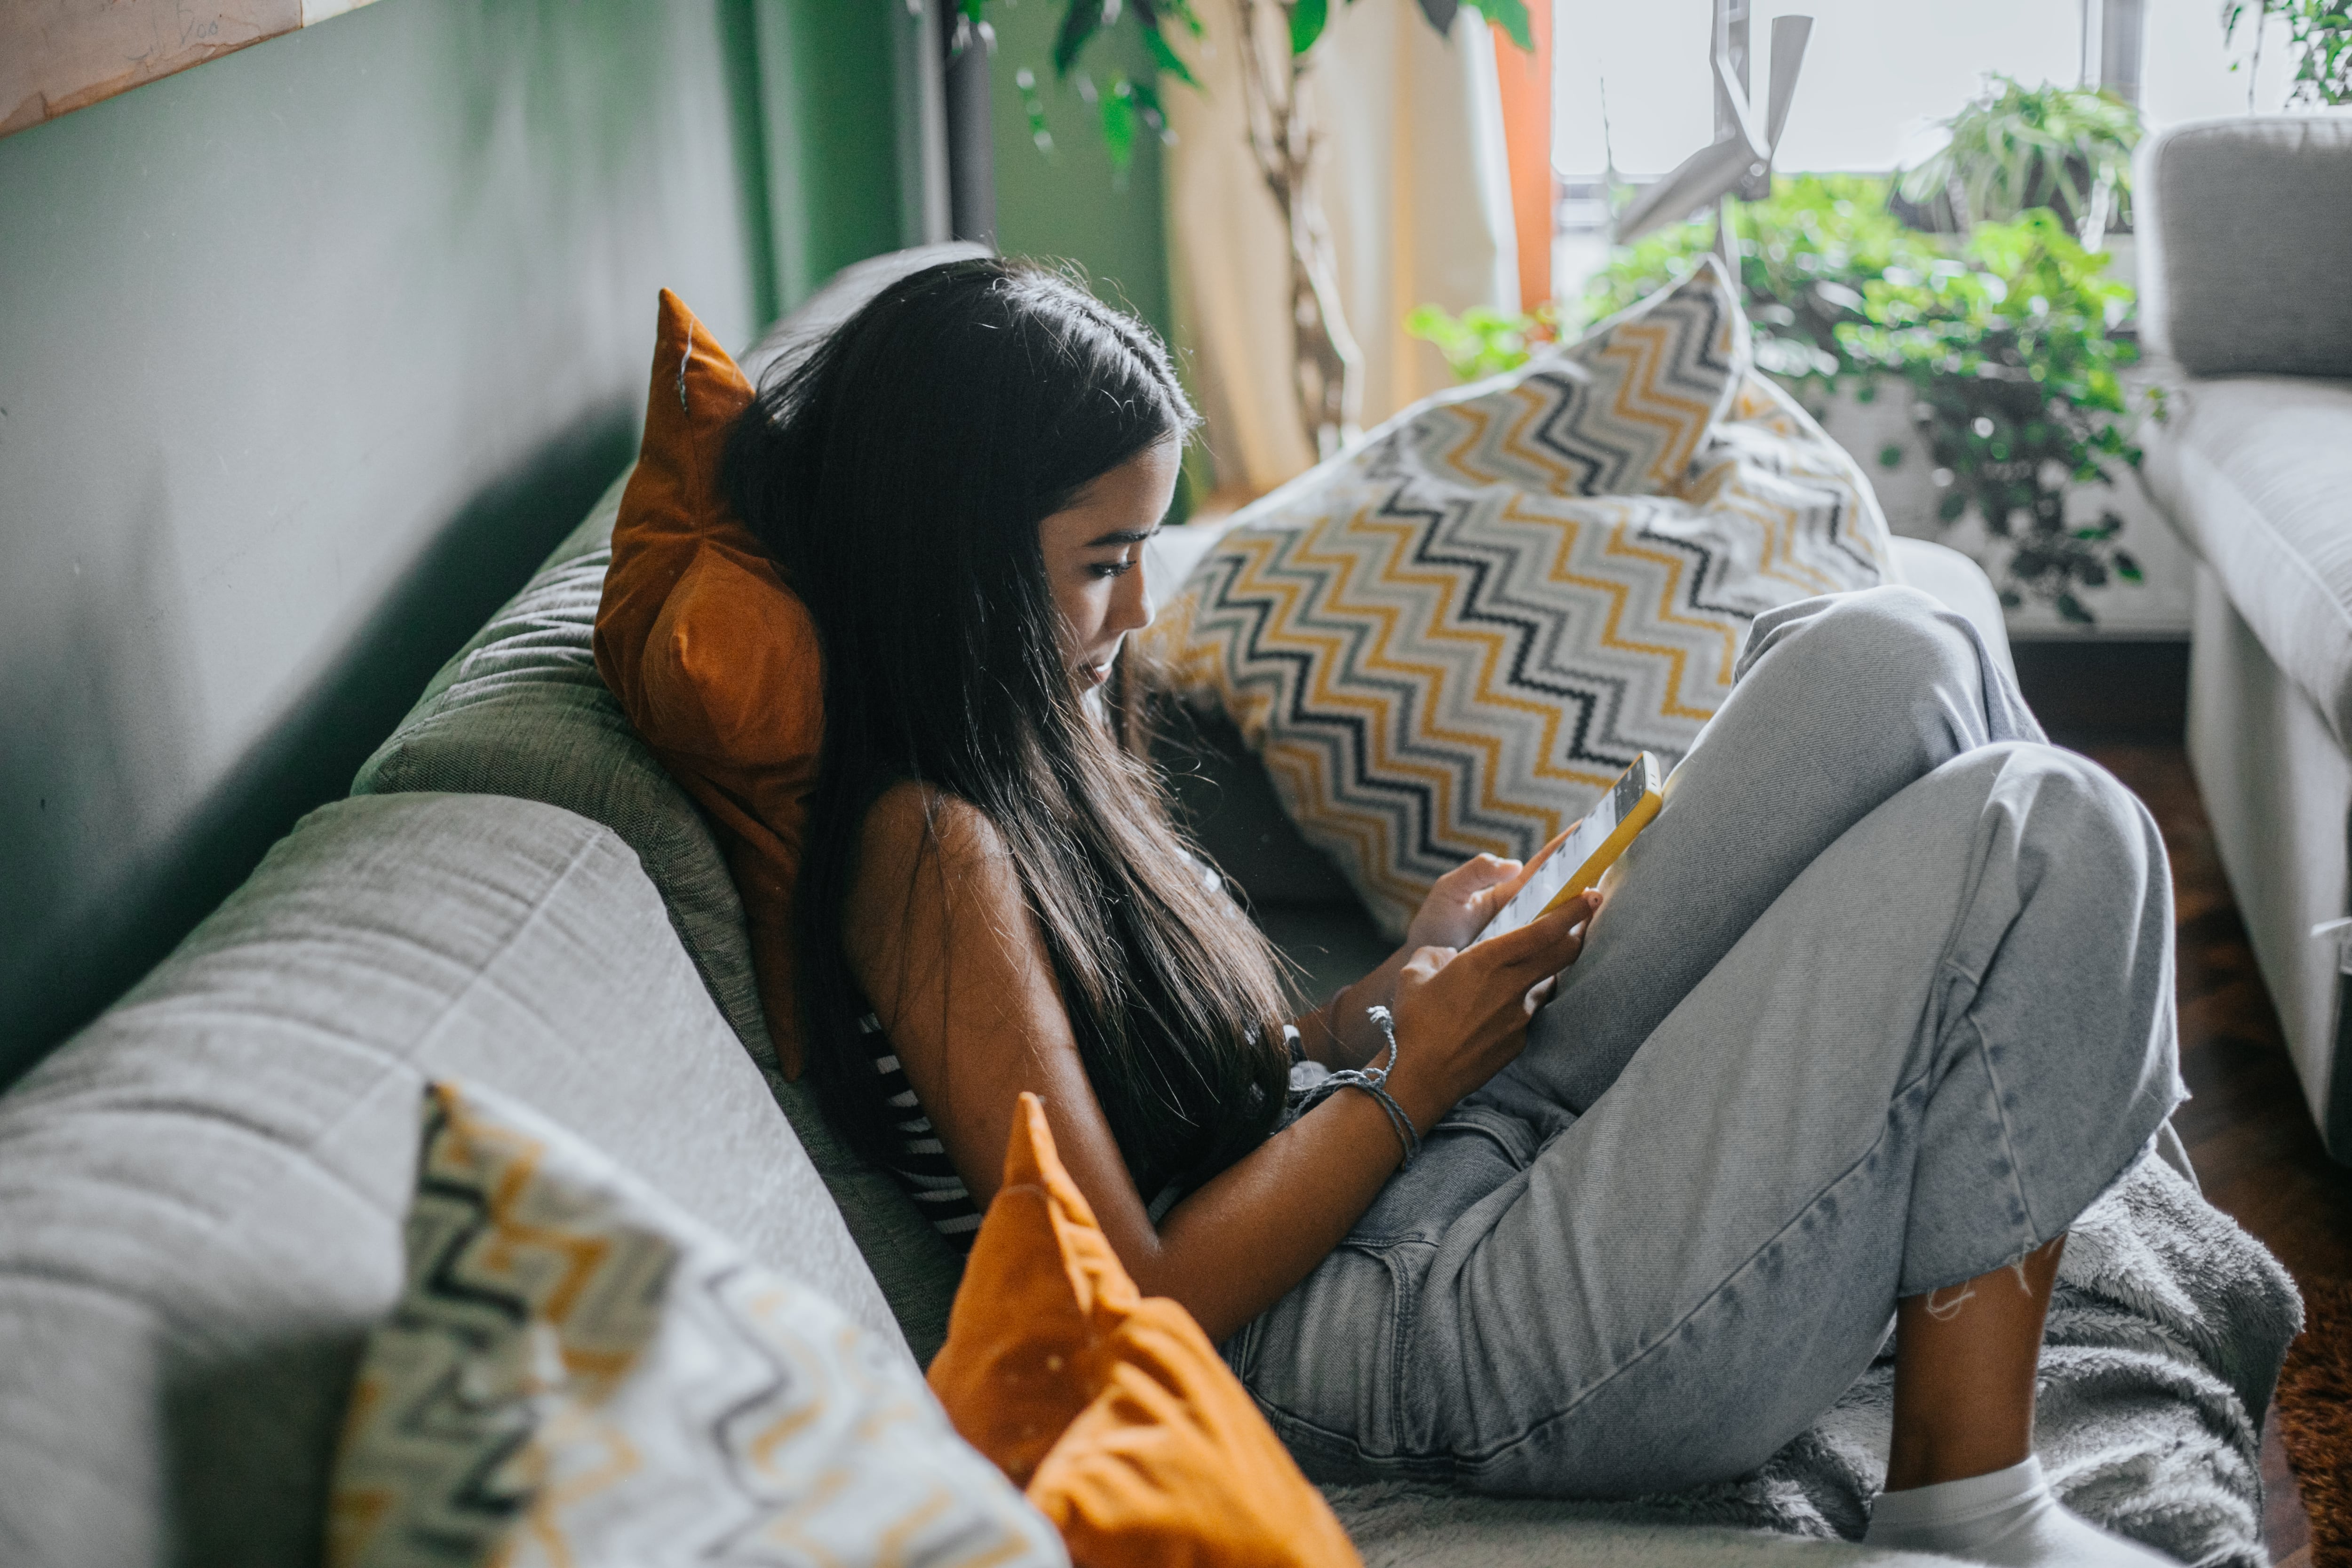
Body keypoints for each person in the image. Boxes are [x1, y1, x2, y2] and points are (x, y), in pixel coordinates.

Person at [722, 256, 2185, 1568]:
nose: (1135, 617)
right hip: (1368, 1344)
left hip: (1381, 1169)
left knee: (1901, 652)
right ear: (950, 557)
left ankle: (1969, 1158)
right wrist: (1417, 1074)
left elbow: (1167, 1085)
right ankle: (1966, 1490)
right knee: (2053, 835)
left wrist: (1394, 992)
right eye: (1101, 565)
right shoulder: (925, 850)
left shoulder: (1031, 748)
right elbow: (1132, 1299)